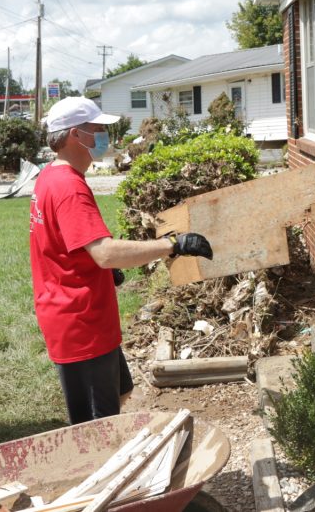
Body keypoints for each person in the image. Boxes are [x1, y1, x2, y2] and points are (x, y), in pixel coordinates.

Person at [30, 96, 214, 424]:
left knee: (120, 392)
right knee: (96, 428)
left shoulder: (51, 177)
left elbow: (69, 245)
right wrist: (173, 245)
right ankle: (103, 473)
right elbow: (104, 252)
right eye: (98, 129)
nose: (105, 136)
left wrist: (101, 266)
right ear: (76, 135)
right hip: (79, 322)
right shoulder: (68, 186)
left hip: (85, 315)